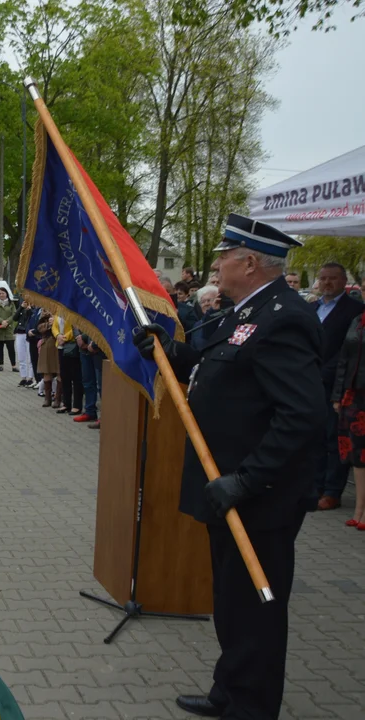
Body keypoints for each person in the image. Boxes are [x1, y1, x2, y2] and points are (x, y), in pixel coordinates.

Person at [134, 213, 325, 720]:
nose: (216, 264)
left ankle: (252, 706)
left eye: (224, 256)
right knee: (232, 599)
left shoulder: (282, 318)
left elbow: (302, 416)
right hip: (227, 488)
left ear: (249, 262)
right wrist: (165, 349)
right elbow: (208, 366)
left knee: (257, 608)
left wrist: (245, 479)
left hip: (258, 495)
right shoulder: (242, 312)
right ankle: (230, 689)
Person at [313, 263, 365, 510]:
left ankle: (332, 490)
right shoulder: (311, 308)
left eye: (332, 278)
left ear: (344, 281)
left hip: (335, 385)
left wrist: (322, 372)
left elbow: (349, 351)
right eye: (323, 278)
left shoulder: (354, 310)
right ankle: (315, 485)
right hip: (307, 382)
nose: (327, 283)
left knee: (334, 438)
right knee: (313, 437)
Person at [332, 306, 365, 529]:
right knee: (357, 454)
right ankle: (359, 510)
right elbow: (344, 358)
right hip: (353, 396)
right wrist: (337, 395)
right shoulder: (357, 320)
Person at [0, 287, 18, 372]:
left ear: (6, 294)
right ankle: (1, 364)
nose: (1, 295)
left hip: (8, 329)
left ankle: (13, 366)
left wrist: (7, 322)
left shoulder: (11, 304)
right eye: (0, 293)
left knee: (11, 348)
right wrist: (2, 321)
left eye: (3, 293)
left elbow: (14, 315)